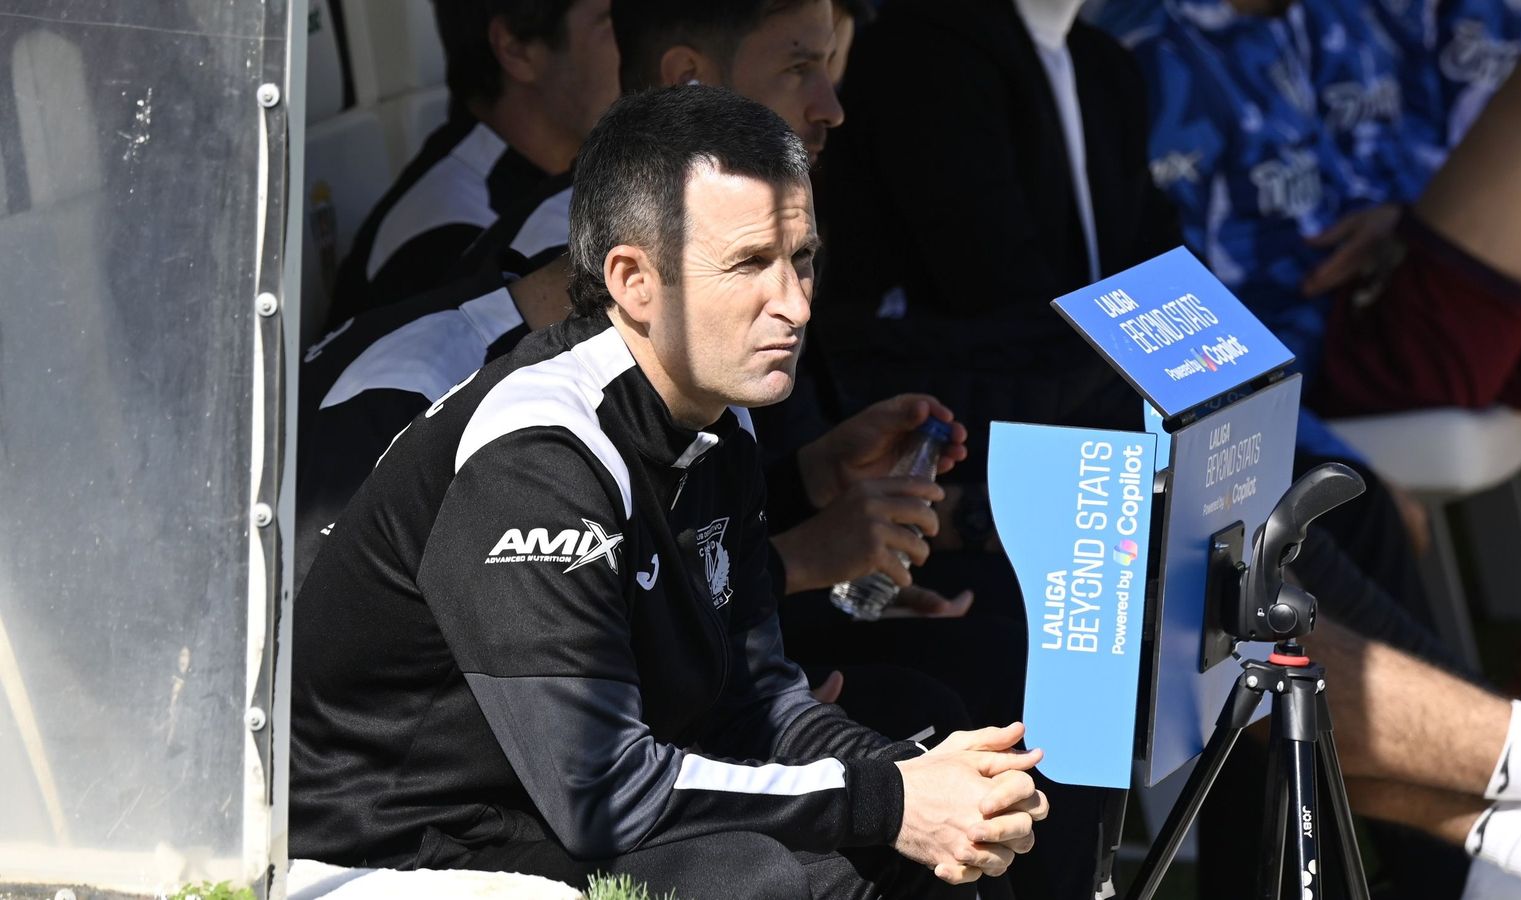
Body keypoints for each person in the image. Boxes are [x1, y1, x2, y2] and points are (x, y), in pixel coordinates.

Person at [291, 86, 1047, 898]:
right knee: (793, 878)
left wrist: (923, 779)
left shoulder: (717, 418)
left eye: (803, 259)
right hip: (395, 847)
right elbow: (604, 795)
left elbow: (756, 704)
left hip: (537, 816)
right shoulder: (537, 454)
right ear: (633, 280)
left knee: (949, 834)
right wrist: (890, 799)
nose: (793, 304)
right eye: (751, 264)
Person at [1130, 0, 1521, 422]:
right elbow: (1154, 319)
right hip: (1342, 341)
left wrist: (1413, 216)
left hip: (1442, 280)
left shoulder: (1344, 15)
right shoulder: (1142, 52)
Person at [325, 0, 616, 326]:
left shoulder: (566, 177)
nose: (640, 41)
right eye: (612, 20)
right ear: (516, 49)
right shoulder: (450, 233)